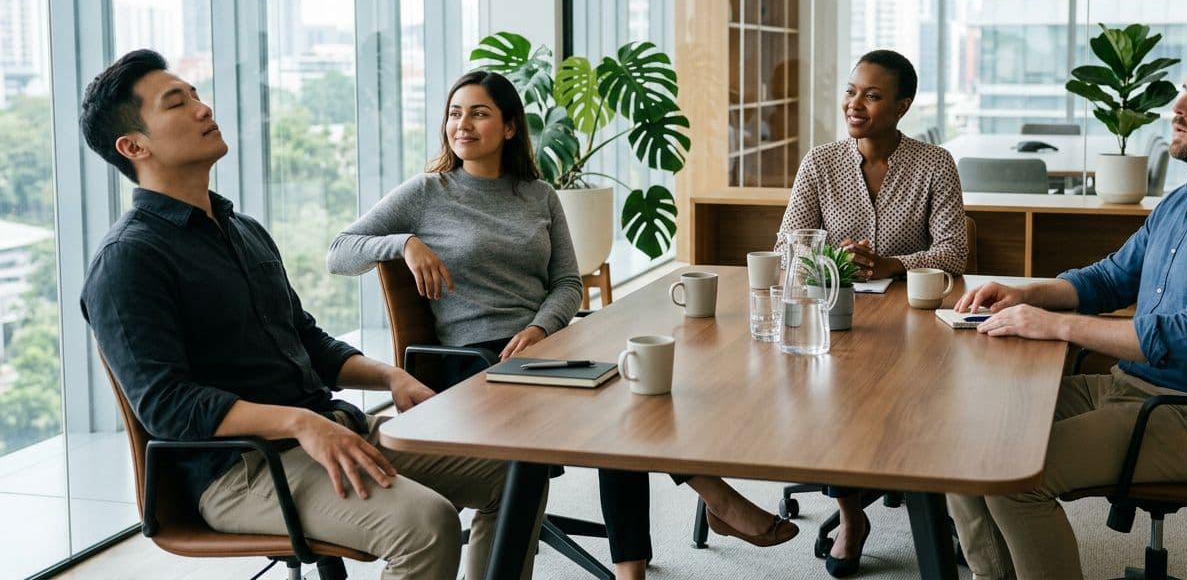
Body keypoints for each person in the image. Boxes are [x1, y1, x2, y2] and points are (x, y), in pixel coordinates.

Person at [79, 50, 540, 580]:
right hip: (240, 471)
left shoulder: (242, 229)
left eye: (197, 95)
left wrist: (392, 377)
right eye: (177, 103)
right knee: (426, 523)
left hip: (328, 430)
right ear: (133, 146)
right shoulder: (129, 259)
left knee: (513, 470)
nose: (204, 109)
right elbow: (167, 406)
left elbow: (307, 342)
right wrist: (300, 423)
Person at [327, 70, 797, 580]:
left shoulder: (539, 194)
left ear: (509, 127)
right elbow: (340, 252)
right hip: (474, 364)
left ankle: (637, 565)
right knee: (624, 407)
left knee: (635, 396)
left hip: (541, 348)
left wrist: (541, 329)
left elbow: (568, 283)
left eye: (479, 113)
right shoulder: (427, 192)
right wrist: (403, 243)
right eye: (454, 113)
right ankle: (711, 500)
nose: (462, 124)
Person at [948, 39, 1187, 580]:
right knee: (963, 434)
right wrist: (1027, 294)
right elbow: (1110, 279)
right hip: (1132, 388)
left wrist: (1054, 326)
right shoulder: (1184, 199)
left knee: (1016, 478)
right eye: (1185, 91)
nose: (1179, 107)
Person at [777, 48, 968, 577]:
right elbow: (788, 244)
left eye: (873, 95)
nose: (854, 104)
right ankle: (849, 515)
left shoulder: (934, 164)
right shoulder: (821, 162)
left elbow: (953, 253)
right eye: (851, 91)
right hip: (836, 312)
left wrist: (889, 263)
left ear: (902, 105)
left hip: (914, 320)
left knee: (915, 398)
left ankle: (925, 488)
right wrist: (836, 259)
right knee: (834, 397)